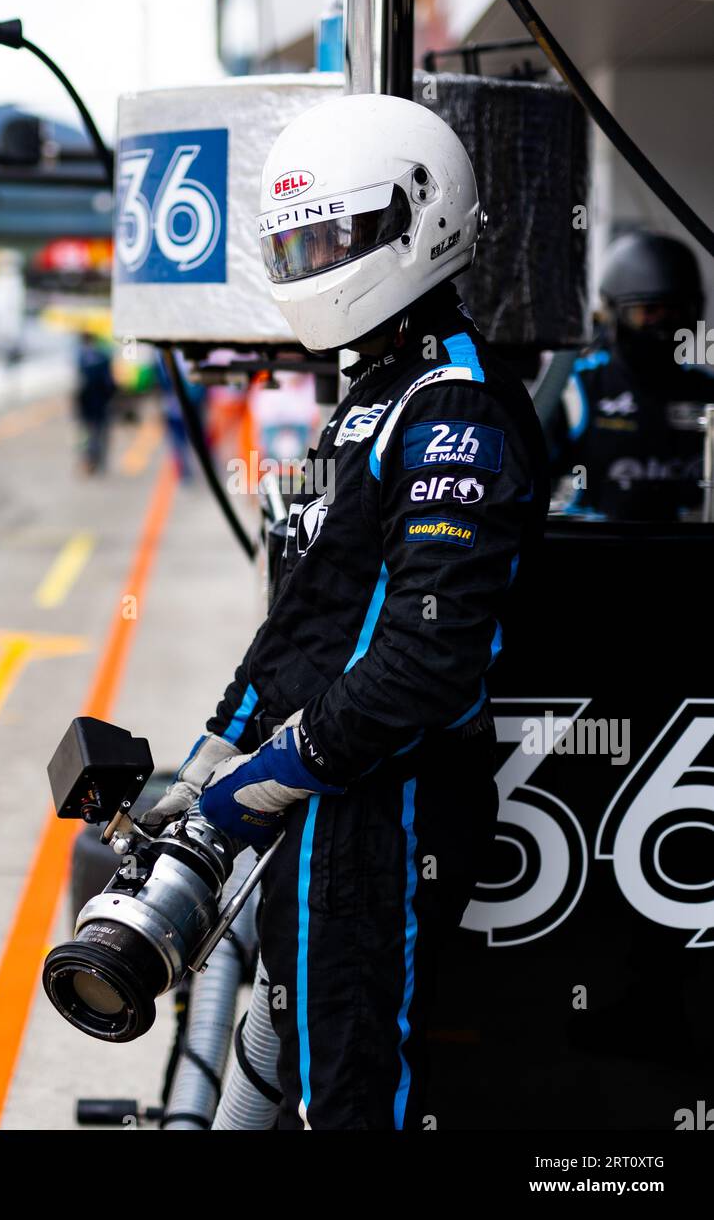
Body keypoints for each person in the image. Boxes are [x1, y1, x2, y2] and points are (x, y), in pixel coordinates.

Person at [144, 93, 550, 1130]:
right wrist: (207, 758)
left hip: (388, 809)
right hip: (325, 803)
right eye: (296, 242)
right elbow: (310, 613)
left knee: (355, 1097)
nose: (314, 260)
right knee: (295, 1076)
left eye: (333, 235)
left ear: (418, 216)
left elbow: (424, 660)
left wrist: (258, 786)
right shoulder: (374, 392)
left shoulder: (452, 400)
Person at [548, 232, 714, 519]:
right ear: (614, 312)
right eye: (648, 312)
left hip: (688, 553)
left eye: (675, 313)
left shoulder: (707, 393)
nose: (663, 326)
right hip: (591, 550)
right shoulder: (577, 387)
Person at [74, 330, 116, 474]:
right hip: (102, 402)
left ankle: (89, 461)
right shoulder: (104, 357)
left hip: (86, 404)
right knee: (101, 434)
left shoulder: (81, 358)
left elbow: (79, 384)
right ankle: (100, 463)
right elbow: (110, 383)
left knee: (87, 434)